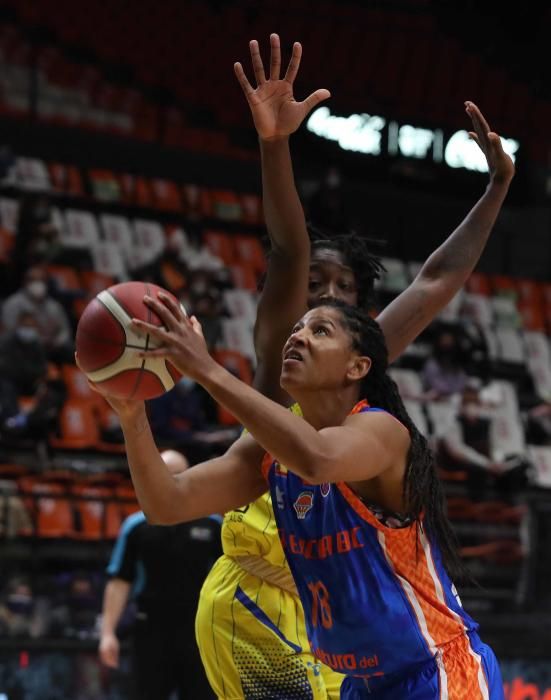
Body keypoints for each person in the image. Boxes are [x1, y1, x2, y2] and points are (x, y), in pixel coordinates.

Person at [193, 34, 514, 699]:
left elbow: (433, 281)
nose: (317, 300)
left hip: (332, 618)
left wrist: (495, 188)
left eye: (335, 290)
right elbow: (287, 248)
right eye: (311, 288)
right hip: (255, 594)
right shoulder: (283, 348)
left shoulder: (362, 366)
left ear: (360, 328)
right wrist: (275, 144)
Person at [86, 295, 504, 699]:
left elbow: (318, 459)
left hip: (437, 673)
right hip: (362, 684)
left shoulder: (383, 432)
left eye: (319, 330)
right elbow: (166, 503)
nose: (297, 336)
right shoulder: (272, 453)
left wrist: (206, 369)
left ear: (357, 366)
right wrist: (131, 412)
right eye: (297, 328)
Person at [98, 449, 221, 700]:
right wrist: (107, 632)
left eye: (179, 475)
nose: (173, 481)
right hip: (150, 631)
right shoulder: (135, 526)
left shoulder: (212, 524)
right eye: (167, 475)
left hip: (200, 632)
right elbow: (120, 580)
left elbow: (229, 579)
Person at [2, 266, 73, 363]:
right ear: (25, 282)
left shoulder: (54, 306)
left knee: (71, 352)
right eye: (33, 280)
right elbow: (8, 331)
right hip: (23, 348)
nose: (38, 284)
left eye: (41, 280)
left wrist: (57, 343)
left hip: (52, 349)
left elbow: (64, 331)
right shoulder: (12, 304)